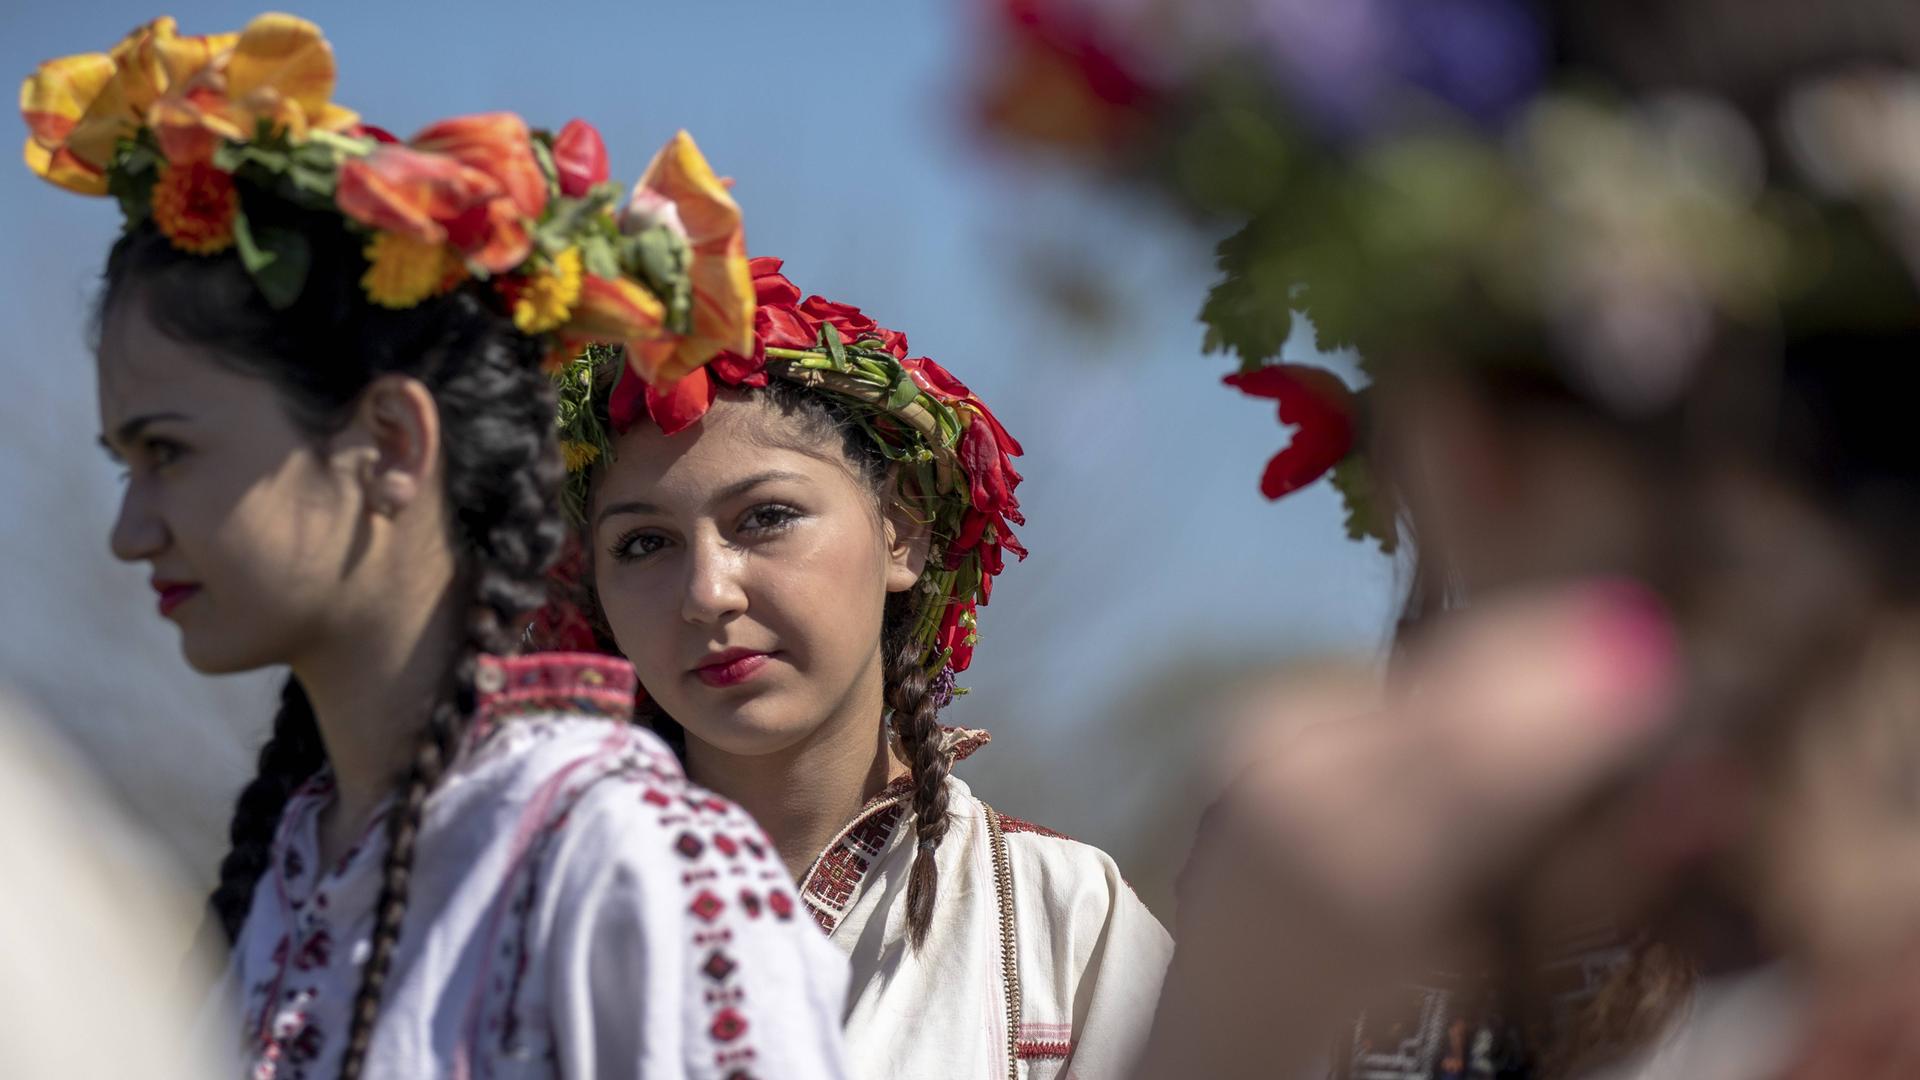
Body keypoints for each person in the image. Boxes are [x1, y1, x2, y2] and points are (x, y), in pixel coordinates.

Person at [24, 13, 850, 1077]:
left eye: (169, 454)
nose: (129, 531)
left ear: (388, 443)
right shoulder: (286, 871)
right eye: (124, 465)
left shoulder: (636, 864)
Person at [538, 257, 1174, 1079]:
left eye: (765, 517)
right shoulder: (511, 923)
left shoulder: (1065, 925)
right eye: (643, 543)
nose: (707, 593)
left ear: (901, 532)